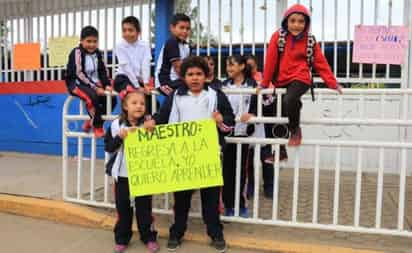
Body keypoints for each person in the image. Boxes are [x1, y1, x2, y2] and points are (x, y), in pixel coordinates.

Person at [154, 56, 235, 253]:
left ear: (206, 76)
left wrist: (220, 120)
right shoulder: (176, 96)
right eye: (190, 74)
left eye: (199, 74)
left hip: (209, 154)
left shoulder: (216, 95)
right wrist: (150, 124)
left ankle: (215, 233)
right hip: (182, 155)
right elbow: (162, 118)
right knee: (181, 198)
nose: (195, 78)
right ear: (183, 77)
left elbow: (230, 123)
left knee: (211, 198)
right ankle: (177, 232)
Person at [261, 4, 343, 146]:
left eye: (301, 21)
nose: (296, 25)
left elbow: (321, 63)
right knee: (280, 112)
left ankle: (295, 130)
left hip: (301, 78)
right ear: (286, 21)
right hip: (281, 80)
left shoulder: (310, 40)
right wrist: (264, 83)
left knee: (289, 100)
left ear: (306, 23)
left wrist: (332, 83)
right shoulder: (277, 37)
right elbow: (270, 61)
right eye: (292, 21)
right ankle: (280, 151)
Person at [104, 90, 159, 253]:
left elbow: (159, 145)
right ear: (125, 106)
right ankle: (122, 239)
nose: (139, 106)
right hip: (122, 175)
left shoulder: (150, 123)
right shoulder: (116, 125)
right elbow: (108, 147)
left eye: (142, 103)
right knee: (123, 209)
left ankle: (148, 237)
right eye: (134, 103)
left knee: (144, 209)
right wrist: (119, 138)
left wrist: (153, 131)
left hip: (143, 173)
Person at [221, 55, 259, 217]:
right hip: (227, 134)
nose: (229, 68)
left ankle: (241, 205)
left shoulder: (252, 85)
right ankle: (228, 206)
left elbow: (257, 106)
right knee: (226, 173)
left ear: (242, 66)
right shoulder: (223, 85)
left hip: (243, 135)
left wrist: (252, 113)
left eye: (232, 65)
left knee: (241, 173)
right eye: (227, 65)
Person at [65, 25, 116, 137]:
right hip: (76, 83)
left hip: (93, 83)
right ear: (81, 41)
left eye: (95, 41)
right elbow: (78, 73)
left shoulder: (98, 53)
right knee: (93, 97)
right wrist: (95, 88)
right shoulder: (76, 52)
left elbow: (103, 70)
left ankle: (92, 121)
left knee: (112, 99)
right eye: (88, 41)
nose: (92, 44)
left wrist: (107, 85)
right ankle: (97, 126)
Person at [154, 13, 191, 105]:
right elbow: (178, 68)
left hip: (178, 81)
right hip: (165, 82)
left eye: (187, 29)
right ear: (172, 28)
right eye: (181, 28)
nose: (185, 31)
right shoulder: (172, 42)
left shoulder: (186, 46)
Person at [114, 16, 152, 100]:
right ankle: (127, 91)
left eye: (130, 30)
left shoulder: (145, 45)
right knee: (127, 88)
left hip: (137, 80)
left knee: (153, 102)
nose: (127, 33)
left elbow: (145, 65)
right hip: (123, 77)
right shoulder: (120, 46)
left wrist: (146, 83)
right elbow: (126, 68)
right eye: (124, 30)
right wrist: (137, 87)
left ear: (138, 32)